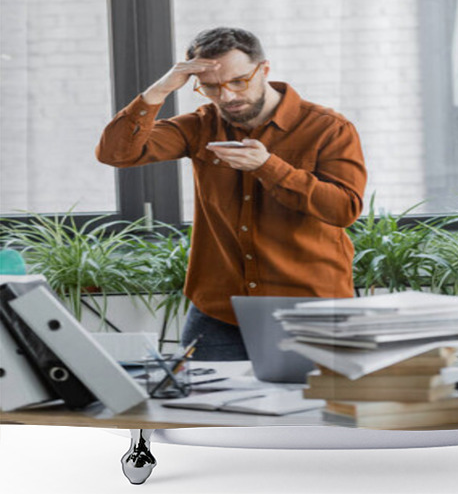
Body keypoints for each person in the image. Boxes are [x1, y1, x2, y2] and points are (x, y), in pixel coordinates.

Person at [96, 27, 367, 359]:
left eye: (239, 82)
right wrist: (160, 89)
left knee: (315, 407)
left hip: (312, 307)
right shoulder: (201, 125)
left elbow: (344, 209)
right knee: (201, 407)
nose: (226, 97)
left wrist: (268, 166)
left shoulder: (328, 128)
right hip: (220, 311)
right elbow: (116, 153)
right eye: (210, 87)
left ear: (263, 70)